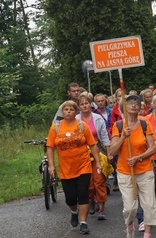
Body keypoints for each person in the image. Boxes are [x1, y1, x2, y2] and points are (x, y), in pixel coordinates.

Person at [47, 100, 102, 235]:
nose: (69, 111)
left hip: (83, 165)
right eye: (66, 109)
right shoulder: (56, 127)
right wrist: (51, 166)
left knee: (83, 193)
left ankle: (83, 222)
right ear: (62, 112)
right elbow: (50, 147)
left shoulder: (82, 125)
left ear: (75, 111)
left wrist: (98, 162)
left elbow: (93, 145)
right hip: (66, 168)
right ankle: (74, 211)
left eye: (71, 109)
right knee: (70, 197)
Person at [109, 94, 156, 238]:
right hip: (125, 171)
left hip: (144, 170)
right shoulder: (118, 126)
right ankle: (130, 224)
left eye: (136, 102)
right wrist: (123, 137)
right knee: (130, 208)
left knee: (149, 205)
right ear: (123, 107)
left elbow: (153, 148)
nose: (134, 105)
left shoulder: (144, 123)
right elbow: (112, 151)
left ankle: (147, 234)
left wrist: (139, 157)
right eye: (130, 103)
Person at [76, 93, 111, 221]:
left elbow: (104, 135)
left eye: (86, 103)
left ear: (90, 104)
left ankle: (101, 208)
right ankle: (91, 201)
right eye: (82, 104)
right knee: (88, 183)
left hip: (98, 151)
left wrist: (109, 152)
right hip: (82, 154)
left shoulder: (97, 118)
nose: (84, 106)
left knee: (99, 180)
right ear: (79, 106)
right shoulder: (76, 120)